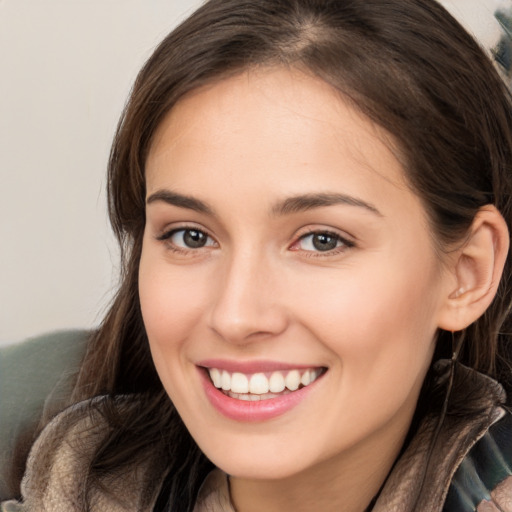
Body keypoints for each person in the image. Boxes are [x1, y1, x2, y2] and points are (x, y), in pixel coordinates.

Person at [3, 0, 512, 510]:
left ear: (467, 272)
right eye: (191, 236)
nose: (235, 316)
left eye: (321, 240)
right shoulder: (58, 463)